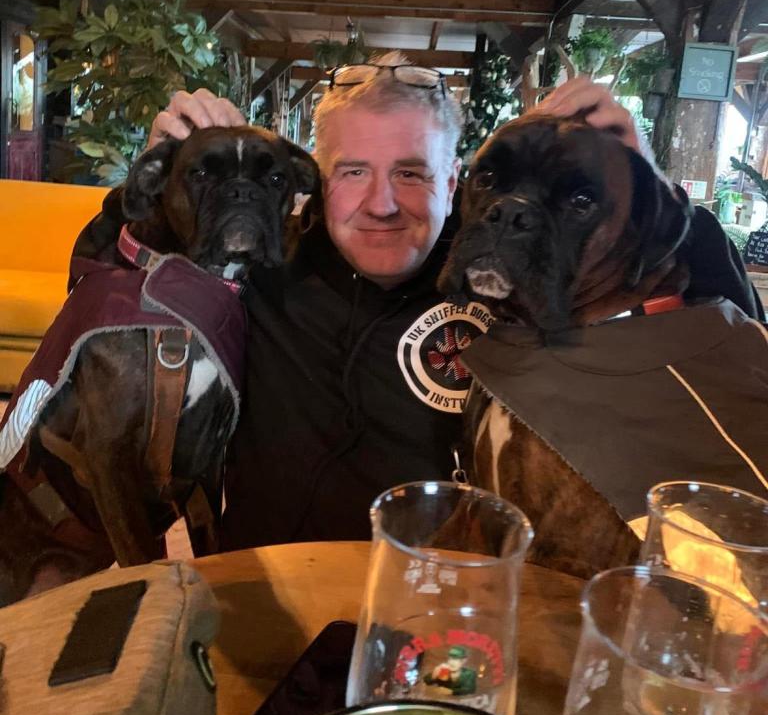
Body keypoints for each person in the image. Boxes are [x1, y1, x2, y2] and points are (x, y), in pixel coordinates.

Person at [73, 57, 764, 549]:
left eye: (412, 172)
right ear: (316, 181)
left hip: (440, 621)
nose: (382, 204)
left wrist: (642, 188)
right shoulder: (264, 261)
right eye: (353, 172)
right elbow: (96, 299)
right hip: (265, 595)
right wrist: (157, 186)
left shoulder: (508, 280)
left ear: (455, 182)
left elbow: (718, 342)